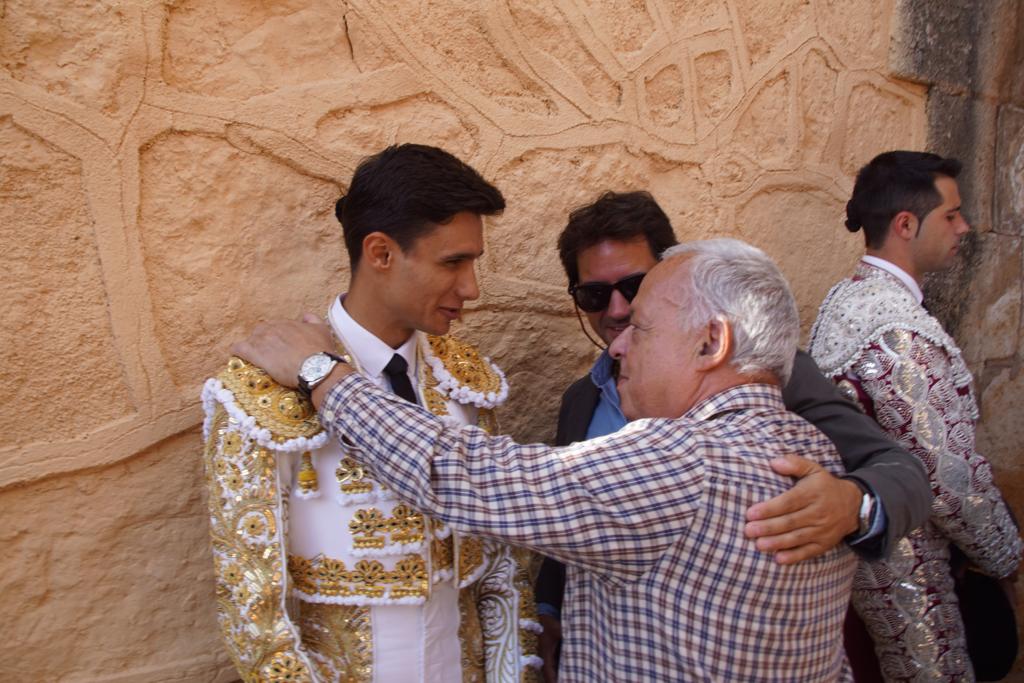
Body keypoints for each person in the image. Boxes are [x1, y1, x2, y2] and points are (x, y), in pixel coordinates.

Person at [231, 238, 861, 681]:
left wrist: (324, 375)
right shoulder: (815, 451)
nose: (618, 349)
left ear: (711, 341)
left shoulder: (681, 461)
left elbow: (470, 478)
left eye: (639, 328)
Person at [534, 191, 935, 680]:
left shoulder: (766, 375)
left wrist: (853, 503)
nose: (617, 309)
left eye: (634, 287)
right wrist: (550, 610)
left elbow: (905, 473)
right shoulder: (583, 401)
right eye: (595, 295)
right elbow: (570, 517)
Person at [201, 144, 541, 682]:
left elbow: (501, 573)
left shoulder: (468, 384)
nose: (471, 288)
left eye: (473, 262)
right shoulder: (255, 396)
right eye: (453, 262)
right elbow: (255, 615)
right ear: (380, 253)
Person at [809, 150, 1022, 681]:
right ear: (906, 224)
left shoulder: (847, 296)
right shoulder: (897, 326)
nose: (964, 226)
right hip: (908, 566)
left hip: (867, 549)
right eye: (951, 214)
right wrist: (1009, 560)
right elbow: (948, 481)